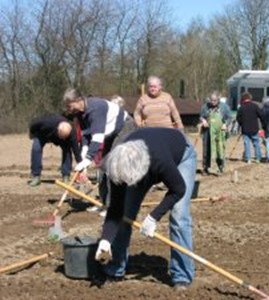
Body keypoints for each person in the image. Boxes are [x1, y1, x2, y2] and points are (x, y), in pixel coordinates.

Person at [94, 127, 196, 290]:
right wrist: (105, 239)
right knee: (126, 213)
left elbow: (178, 189)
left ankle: (182, 275)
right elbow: (116, 210)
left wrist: (153, 217)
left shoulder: (159, 160)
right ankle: (116, 268)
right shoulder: (117, 164)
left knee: (179, 215)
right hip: (140, 162)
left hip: (181, 154)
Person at [62, 88, 136, 214]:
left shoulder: (96, 108)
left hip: (124, 128)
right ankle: (104, 203)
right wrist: (84, 158)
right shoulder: (79, 113)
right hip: (109, 133)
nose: (68, 109)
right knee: (102, 167)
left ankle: (113, 207)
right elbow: (86, 135)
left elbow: (97, 137)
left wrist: (88, 159)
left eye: (69, 106)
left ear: (79, 100)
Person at [28, 115, 82, 187]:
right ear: (58, 130)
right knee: (36, 148)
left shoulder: (72, 133)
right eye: (62, 136)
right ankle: (36, 176)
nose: (63, 138)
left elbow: (76, 151)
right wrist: (31, 133)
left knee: (67, 150)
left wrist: (81, 166)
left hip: (58, 137)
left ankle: (66, 176)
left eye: (65, 137)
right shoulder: (46, 123)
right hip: (43, 135)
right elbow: (33, 124)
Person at [199, 91, 231, 174]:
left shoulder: (224, 107)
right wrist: (203, 120)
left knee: (219, 148)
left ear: (218, 99)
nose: (213, 102)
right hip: (207, 131)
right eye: (211, 100)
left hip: (220, 131)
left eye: (215, 100)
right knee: (206, 149)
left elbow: (229, 117)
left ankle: (221, 166)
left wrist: (225, 124)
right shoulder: (205, 106)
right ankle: (206, 167)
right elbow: (201, 116)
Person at [236, 92, 265, 163]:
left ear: (243, 99)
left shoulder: (241, 108)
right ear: (250, 98)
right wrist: (262, 124)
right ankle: (258, 158)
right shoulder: (255, 106)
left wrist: (241, 124)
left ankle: (248, 158)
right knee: (256, 143)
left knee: (247, 144)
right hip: (254, 128)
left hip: (245, 129)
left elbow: (238, 118)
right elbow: (261, 115)